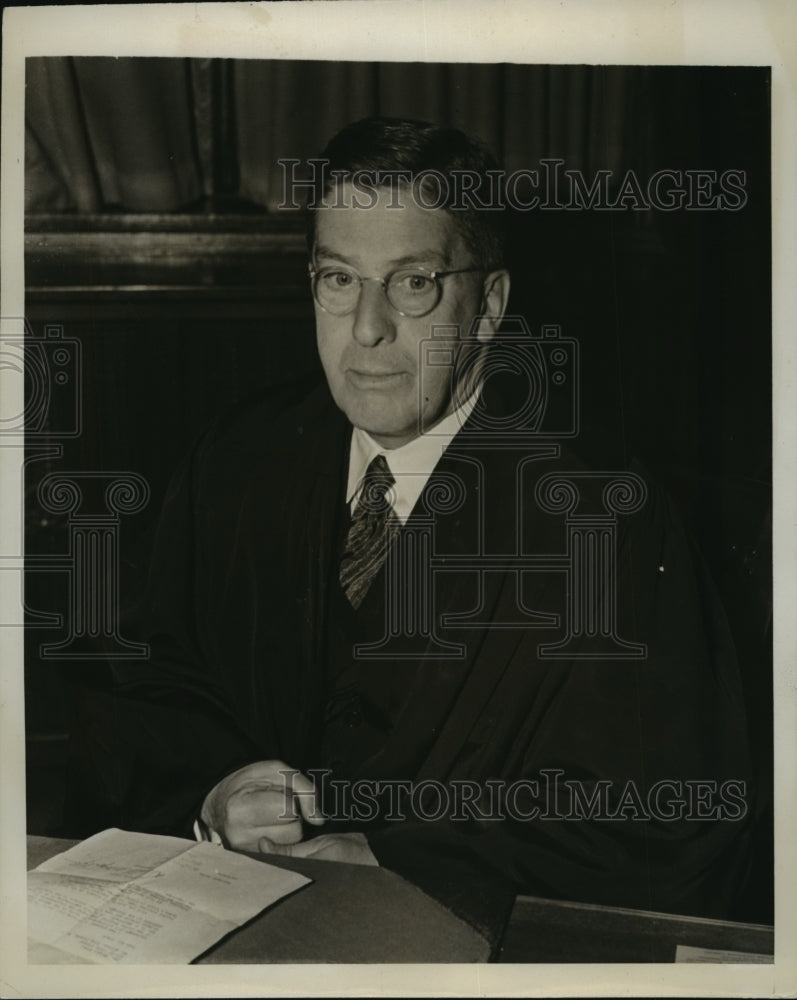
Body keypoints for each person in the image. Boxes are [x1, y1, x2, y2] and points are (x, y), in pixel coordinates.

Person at [66, 117, 754, 933]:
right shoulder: (240, 460)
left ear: (489, 304)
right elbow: (131, 681)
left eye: (413, 282)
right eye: (338, 279)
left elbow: (668, 820)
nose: (368, 329)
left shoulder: (597, 515)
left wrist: (406, 860)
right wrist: (215, 786)